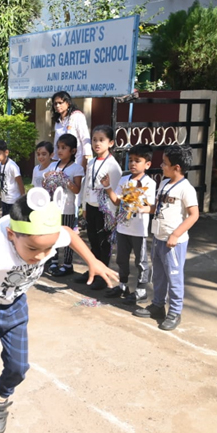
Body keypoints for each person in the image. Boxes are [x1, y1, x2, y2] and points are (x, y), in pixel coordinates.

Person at [0, 187, 119, 433]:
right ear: (13, 235)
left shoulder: (46, 236)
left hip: (15, 305)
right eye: (34, 249)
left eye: (47, 251)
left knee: (18, 368)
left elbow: (68, 234)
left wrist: (92, 260)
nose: (41, 257)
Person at [134, 145, 199, 331]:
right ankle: (157, 305)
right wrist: (146, 208)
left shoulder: (186, 189)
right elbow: (158, 206)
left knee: (174, 277)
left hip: (174, 243)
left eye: (165, 163)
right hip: (159, 238)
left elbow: (194, 215)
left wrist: (176, 234)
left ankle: (175, 311)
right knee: (159, 275)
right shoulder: (164, 183)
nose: (161, 166)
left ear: (177, 167)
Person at [101, 144, 156, 302]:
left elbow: (151, 208)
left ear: (147, 164)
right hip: (123, 228)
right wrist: (108, 187)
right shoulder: (124, 180)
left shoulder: (149, 184)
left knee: (141, 260)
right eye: (130, 160)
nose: (132, 163)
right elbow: (117, 201)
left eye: (137, 160)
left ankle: (141, 289)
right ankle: (123, 285)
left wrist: (138, 207)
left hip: (139, 230)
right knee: (121, 259)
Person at [77, 125, 122, 289]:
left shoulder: (113, 166)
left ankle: (103, 275)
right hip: (91, 207)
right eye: (95, 140)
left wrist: (111, 215)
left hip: (105, 211)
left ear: (110, 143)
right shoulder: (92, 163)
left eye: (102, 140)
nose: (97, 143)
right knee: (93, 241)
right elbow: (86, 185)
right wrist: (84, 206)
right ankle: (93, 270)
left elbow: (115, 192)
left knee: (104, 243)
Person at [44, 134, 84, 277]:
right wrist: (48, 179)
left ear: (73, 151)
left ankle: (67, 264)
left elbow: (77, 189)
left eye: (64, 148)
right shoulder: (53, 165)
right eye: (58, 147)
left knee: (67, 236)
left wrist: (63, 179)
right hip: (53, 207)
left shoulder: (76, 168)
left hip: (67, 208)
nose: (60, 151)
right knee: (53, 235)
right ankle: (54, 260)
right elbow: (45, 183)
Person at [51, 91, 91, 168]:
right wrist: (55, 161)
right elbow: (56, 143)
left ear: (68, 103)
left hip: (77, 160)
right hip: (62, 162)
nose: (57, 105)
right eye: (55, 104)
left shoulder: (77, 116)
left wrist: (85, 160)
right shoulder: (58, 121)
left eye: (60, 103)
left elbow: (85, 138)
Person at [0, 139, 24, 216]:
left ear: (6, 152)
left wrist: (23, 200)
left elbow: (20, 183)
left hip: (13, 200)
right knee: (5, 220)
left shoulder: (12, 166)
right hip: (4, 200)